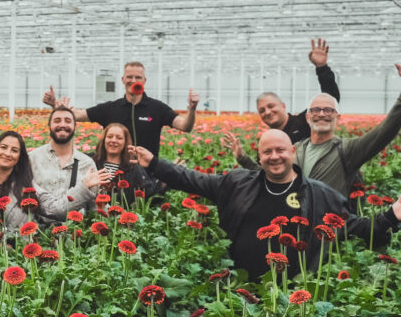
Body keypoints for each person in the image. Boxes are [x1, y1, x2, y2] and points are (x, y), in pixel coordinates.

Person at [133, 130, 401, 281]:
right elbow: (193, 180)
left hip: (294, 294)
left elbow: (357, 228)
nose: (274, 157)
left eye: (280, 150)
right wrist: (156, 164)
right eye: (267, 152)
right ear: (259, 156)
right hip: (240, 287)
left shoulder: (320, 195)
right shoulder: (237, 183)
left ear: (292, 152)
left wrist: (392, 215)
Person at [227, 64, 401, 198]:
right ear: (308, 117)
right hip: (297, 230)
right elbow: (271, 176)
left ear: (337, 117)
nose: (322, 114)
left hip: (332, 234)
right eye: (316, 110)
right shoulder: (297, 150)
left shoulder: (348, 150)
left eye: (329, 110)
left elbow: (385, 131)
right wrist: (243, 158)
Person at [42, 61, 199, 156]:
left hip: (146, 169)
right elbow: (77, 115)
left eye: (138, 77)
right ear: (123, 80)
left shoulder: (157, 108)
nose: (133, 80)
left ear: (144, 81)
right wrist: (55, 106)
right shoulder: (110, 108)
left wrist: (192, 109)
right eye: (129, 77)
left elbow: (185, 126)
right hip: (115, 167)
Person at [0, 130, 77, 231]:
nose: (8, 153)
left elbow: (58, 209)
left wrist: (84, 188)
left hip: (21, 245)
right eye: (3, 147)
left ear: (19, 158)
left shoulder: (28, 189)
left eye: (14, 150)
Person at [251, 38, 341, 143]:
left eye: (271, 106)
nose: (267, 112)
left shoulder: (305, 122)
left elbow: (331, 98)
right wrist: (242, 157)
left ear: (283, 106)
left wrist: (322, 68)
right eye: (261, 110)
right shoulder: (269, 140)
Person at [28, 107, 110, 219]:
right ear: (49, 126)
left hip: (75, 233)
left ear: (75, 127)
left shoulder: (86, 163)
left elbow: (95, 207)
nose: (62, 124)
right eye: (57, 121)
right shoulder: (32, 159)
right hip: (37, 232)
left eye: (68, 121)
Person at [91, 123, 164, 206]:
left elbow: (148, 193)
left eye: (119, 138)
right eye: (110, 136)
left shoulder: (133, 168)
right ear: (104, 139)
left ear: (125, 142)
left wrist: (166, 176)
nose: (114, 140)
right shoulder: (90, 161)